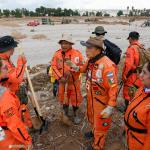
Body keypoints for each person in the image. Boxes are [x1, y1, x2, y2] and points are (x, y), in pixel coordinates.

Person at [65, 37, 118, 150]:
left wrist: (110, 106)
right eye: (86, 47)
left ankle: (97, 146)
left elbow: (113, 87)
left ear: (98, 50)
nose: (86, 50)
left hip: (102, 102)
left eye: (89, 48)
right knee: (92, 118)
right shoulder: (91, 60)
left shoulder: (107, 65)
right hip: (92, 98)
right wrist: (73, 65)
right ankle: (94, 133)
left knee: (100, 125)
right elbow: (83, 70)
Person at [0, 36, 32, 128]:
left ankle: (27, 129)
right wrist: (21, 62)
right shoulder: (2, 62)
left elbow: (14, 74)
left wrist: (22, 78)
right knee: (15, 119)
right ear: (9, 49)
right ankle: (23, 137)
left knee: (22, 111)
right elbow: (16, 78)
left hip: (13, 92)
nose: (14, 49)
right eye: (13, 47)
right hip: (8, 98)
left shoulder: (6, 58)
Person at [0, 58, 32, 150]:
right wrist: (27, 140)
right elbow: (14, 124)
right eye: (5, 67)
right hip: (7, 140)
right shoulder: (5, 98)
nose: (8, 69)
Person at [51, 34, 84, 124]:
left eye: (66, 43)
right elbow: (53, 66)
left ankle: (75, 114)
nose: (63, 45)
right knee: (63, 98)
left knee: (76, 98)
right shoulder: (57, 54)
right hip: (62, 82)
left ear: (71, 44)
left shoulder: (77, 54)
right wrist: (59, 77)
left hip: (74, 82)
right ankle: (65, 113)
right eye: (62, 43)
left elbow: (82, 67)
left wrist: (73, 71)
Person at [124, 61, 150, 150]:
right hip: (131, 138)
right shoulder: (142, 89)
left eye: (144, 73)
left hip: (139, 144)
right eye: (141, 71)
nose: (140, 76)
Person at [122, 32, 143, 109]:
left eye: (129, 39)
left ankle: (127, 110)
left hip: (132, 75)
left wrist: (124, 75)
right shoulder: (141, 47)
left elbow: (128, 65)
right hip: (140, 75)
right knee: (137, 92)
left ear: (130, 38)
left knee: (128, 93)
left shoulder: (131, 49)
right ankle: (136, 108)